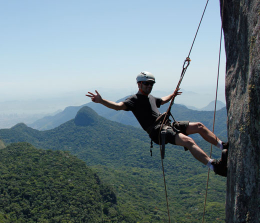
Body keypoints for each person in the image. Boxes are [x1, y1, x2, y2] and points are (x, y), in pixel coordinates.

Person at [86, 71, 228, 176]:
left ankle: (222, 146)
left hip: (167, 124)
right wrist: (101, 100)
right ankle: (215, 166)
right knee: (188, 141)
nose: (149, 86)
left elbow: (162, 100)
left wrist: (172, 95)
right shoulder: (133, 100)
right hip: (157, 131)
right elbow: (118, 106)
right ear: (139, 84)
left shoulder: (151, 98)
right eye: (147, 83)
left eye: (151, 84)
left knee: (199, 126)